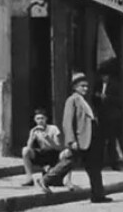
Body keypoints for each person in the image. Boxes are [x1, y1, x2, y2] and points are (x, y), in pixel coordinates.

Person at [38, 72, 110, 203]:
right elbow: (67, 122)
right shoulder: (72, 100)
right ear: (75, 87)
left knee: (94, 167)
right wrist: (71, 140)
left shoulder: (85, 101)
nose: (85, 89)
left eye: (87, 86)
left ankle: (98, 195)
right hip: (80, 140)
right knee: (68, 162)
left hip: (91, 140)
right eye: (82, 86)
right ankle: (46, 180)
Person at [21, 108, 65, 185]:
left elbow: (58, 147)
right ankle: (29, 178)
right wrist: (31, 138)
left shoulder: (53, 129)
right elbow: (29, 147)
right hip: (42, 154)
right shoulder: (34, 130)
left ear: (46, 119)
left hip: (53, 153)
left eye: (42, 118)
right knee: (25, 150)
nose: (40, 120)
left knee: (52, 180)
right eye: (38, 118)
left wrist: (48, 138)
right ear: (35, 120)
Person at [94, 63, 123, 170]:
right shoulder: (98, 85)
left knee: (112, 140)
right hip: (102, 116)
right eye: (102, 76)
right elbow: (94, 98)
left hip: (112, 116)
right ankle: (100, 163)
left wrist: (107, 98)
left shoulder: (115, 85)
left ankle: (114, 163)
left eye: (106, 76)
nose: (104, 78)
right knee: (100, 141)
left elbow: (120, 101)